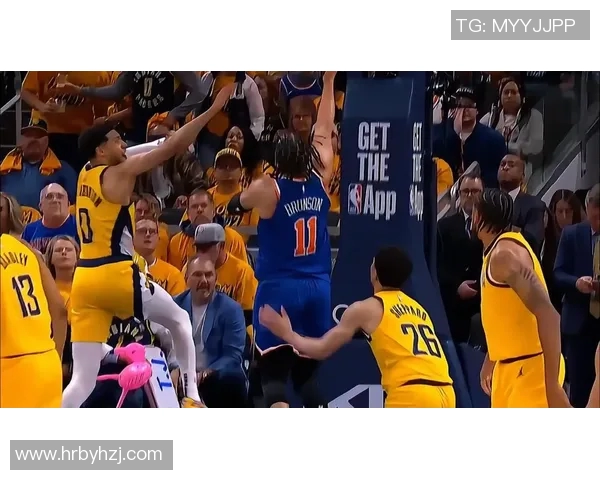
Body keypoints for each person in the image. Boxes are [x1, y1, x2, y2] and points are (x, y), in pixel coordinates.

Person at [61, 83, 237, 408]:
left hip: (84, 281)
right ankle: (191, 397)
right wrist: (212, 110)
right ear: (102, 151)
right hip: (115, 274)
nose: (123, 143)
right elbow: (174, 147)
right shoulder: (120, 172)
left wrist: (157, 141)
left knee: (82, 379)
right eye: (117, 140)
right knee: (179, 320)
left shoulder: (85, 171)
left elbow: (146, 147)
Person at [228, 72, 336, 408]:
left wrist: (235, 204)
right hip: (318, 288)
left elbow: (237, 203)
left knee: (273, 378)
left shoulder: (268, 188)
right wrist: (329, 82)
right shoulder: (322, 176)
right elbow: (324, 126)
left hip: (279, 287)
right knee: (307, 378)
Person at [260, 246, 455, 408]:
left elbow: (322, 349)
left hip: (412, 393)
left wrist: (287, 333)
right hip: (446, 391)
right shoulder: (419, 308)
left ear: (375, 273)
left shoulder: (367, 308)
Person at [475, 189, 569, 408]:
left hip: (531, 367)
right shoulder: (496, 252)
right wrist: (491, 357)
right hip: (510, 368)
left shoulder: (505, 256)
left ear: (479, 216)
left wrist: (552, 386)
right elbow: (507, 315)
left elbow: (549, 315)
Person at [0, 233, 68, 407]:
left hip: (9, 367)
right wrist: (55, 358)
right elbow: (60, 310)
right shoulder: (23, 247)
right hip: (47, 361)